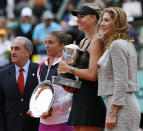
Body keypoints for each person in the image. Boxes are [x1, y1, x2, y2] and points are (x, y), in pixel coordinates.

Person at [58, 3, 106, 131]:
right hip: (79, 98)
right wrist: (67, 80)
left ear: (93, 18)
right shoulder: (83, 41)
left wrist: (69, 69)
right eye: (77, 17)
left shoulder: (97, 41)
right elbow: (79, 75)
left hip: (91, 101)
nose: (77, 20)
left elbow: (92, 75)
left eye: (82, 16)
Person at [97, 7, 141, 131]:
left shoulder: (117, 45)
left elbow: (121, 81)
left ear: (116, 23)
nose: (102, 24)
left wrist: (112, 112)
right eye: (102, 20)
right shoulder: (125, 43)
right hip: (124, 104)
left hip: (121, 108)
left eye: (106, 20)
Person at [0, 36, 39, 131]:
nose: (12, 52)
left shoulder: (40, 71)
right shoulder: (2, 73)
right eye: (11, 49)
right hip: (10, 126)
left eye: (17, 49)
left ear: (28, 52)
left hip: (34, 126)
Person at [36, 31, 73, 131]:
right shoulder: (41, 66)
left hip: (63, 122)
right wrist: (36, 108)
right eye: (46, 42)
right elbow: (40, 92)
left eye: (51, 42)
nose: (46, 46)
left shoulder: (67, 65)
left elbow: (71, 95)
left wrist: (53, 107)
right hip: (43, 123)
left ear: (61, 46)